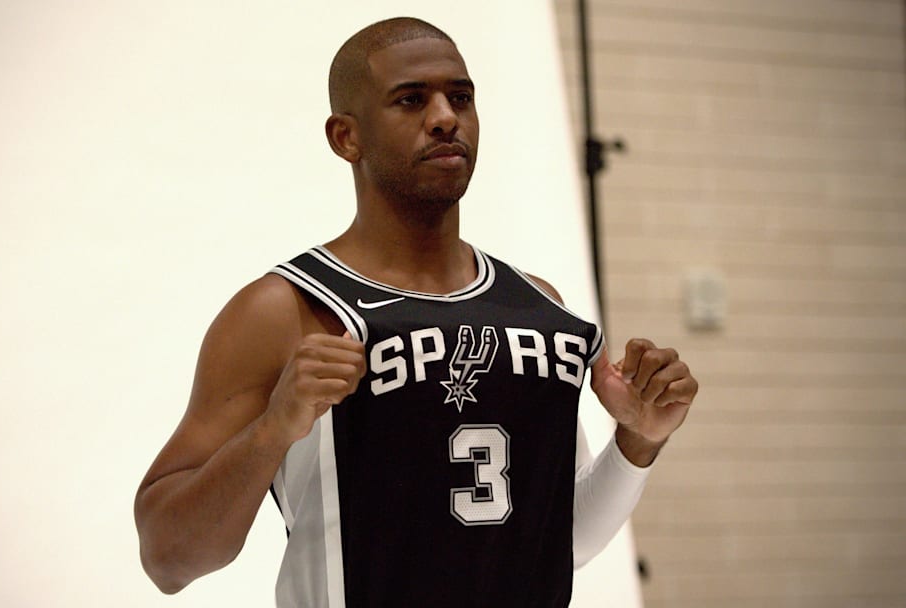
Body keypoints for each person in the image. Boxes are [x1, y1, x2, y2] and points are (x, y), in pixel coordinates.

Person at [134, 16, 697, 607]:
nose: (445, 117)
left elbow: (565, 542)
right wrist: (273, 430)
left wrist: (637, 441)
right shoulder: (284, 310)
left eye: (461, 97)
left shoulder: (538, 308)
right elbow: (167, 559)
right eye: (410, 100)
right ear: (345, 137)